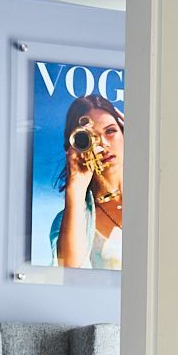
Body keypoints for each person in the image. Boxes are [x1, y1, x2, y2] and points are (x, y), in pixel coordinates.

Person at [51, 92, 123, 269]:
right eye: (91, 139)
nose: (104, 144)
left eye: (111, 131)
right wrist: (75, 187)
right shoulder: (72, 219)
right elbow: (68, 273)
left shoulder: (153, 200)